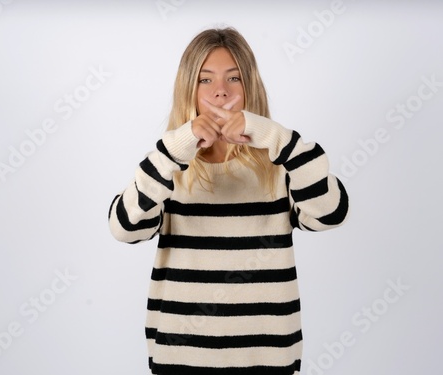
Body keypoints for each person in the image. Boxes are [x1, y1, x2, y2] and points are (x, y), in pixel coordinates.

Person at [108, 27, 349, 375]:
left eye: (233, 77)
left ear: (249, 86)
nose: (220, 91)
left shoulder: (279, 167)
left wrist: (276, 137)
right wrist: (175, 148)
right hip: (181, 358)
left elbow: (331, 214)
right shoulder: (167, 168)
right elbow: (123, 228)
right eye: (205, 80)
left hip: (267, 359)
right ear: (188, 89)